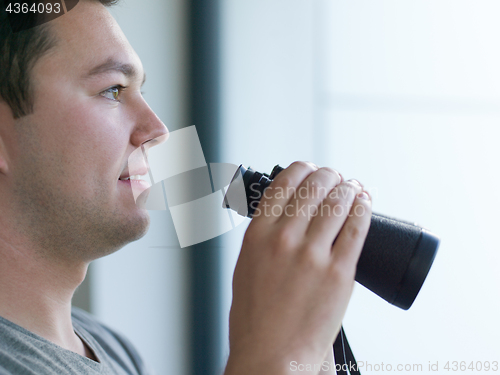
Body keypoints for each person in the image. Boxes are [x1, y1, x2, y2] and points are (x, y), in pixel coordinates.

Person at [0, 0, 372, 374]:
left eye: (139, 91)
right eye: (112, 90)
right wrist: (269, 357)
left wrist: (306, 349)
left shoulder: (113, 351)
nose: (157, 130)